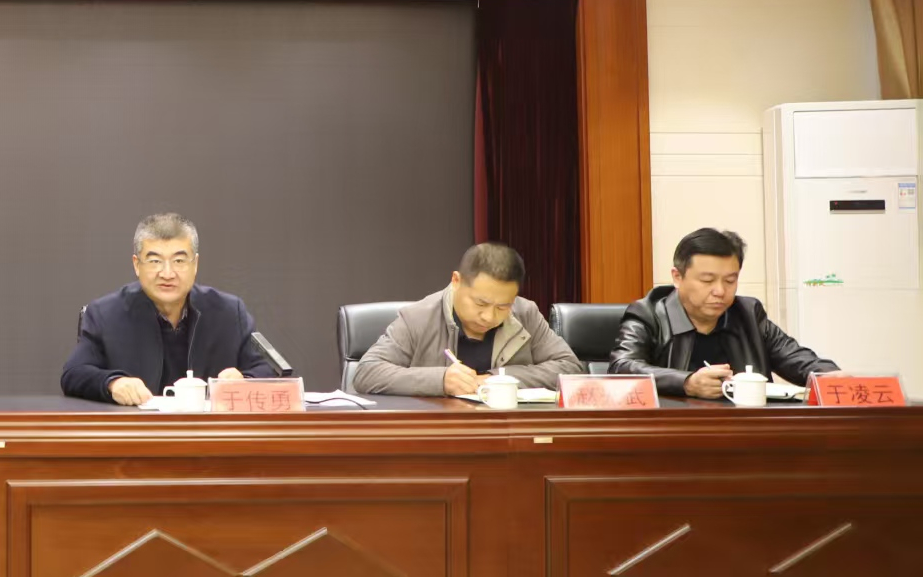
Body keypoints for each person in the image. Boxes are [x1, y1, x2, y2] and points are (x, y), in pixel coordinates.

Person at [62, 212, 281, 405]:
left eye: (179, 261)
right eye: (155, 261)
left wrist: (244, 380)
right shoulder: (105, 314)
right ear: (137, 265)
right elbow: (74, 372)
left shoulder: (229, 313)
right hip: (137, 433)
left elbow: (272, 369)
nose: (167, 273)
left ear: (195, 264)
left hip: (209, 434)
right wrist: (113, 383)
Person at [612, 227, 839, 397]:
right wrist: (686, 382)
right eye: (707, 280)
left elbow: (795, 358)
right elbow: (622, 367)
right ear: (677, 277)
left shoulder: (748, 313)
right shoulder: (648, 313)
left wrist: (830, 376)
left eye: (730, 281)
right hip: (673, 433)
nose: (720, 291)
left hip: (747, 433)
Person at [352, 242, 579, 396]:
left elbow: (570, 368)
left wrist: (497, 379)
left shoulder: (525, 313)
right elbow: (368, 372)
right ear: (456, 281)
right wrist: (440, 380)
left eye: (503, 306)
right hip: (439, 435)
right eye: (480, 303)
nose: (489, 317)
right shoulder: (418, 317)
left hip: (509, 434)